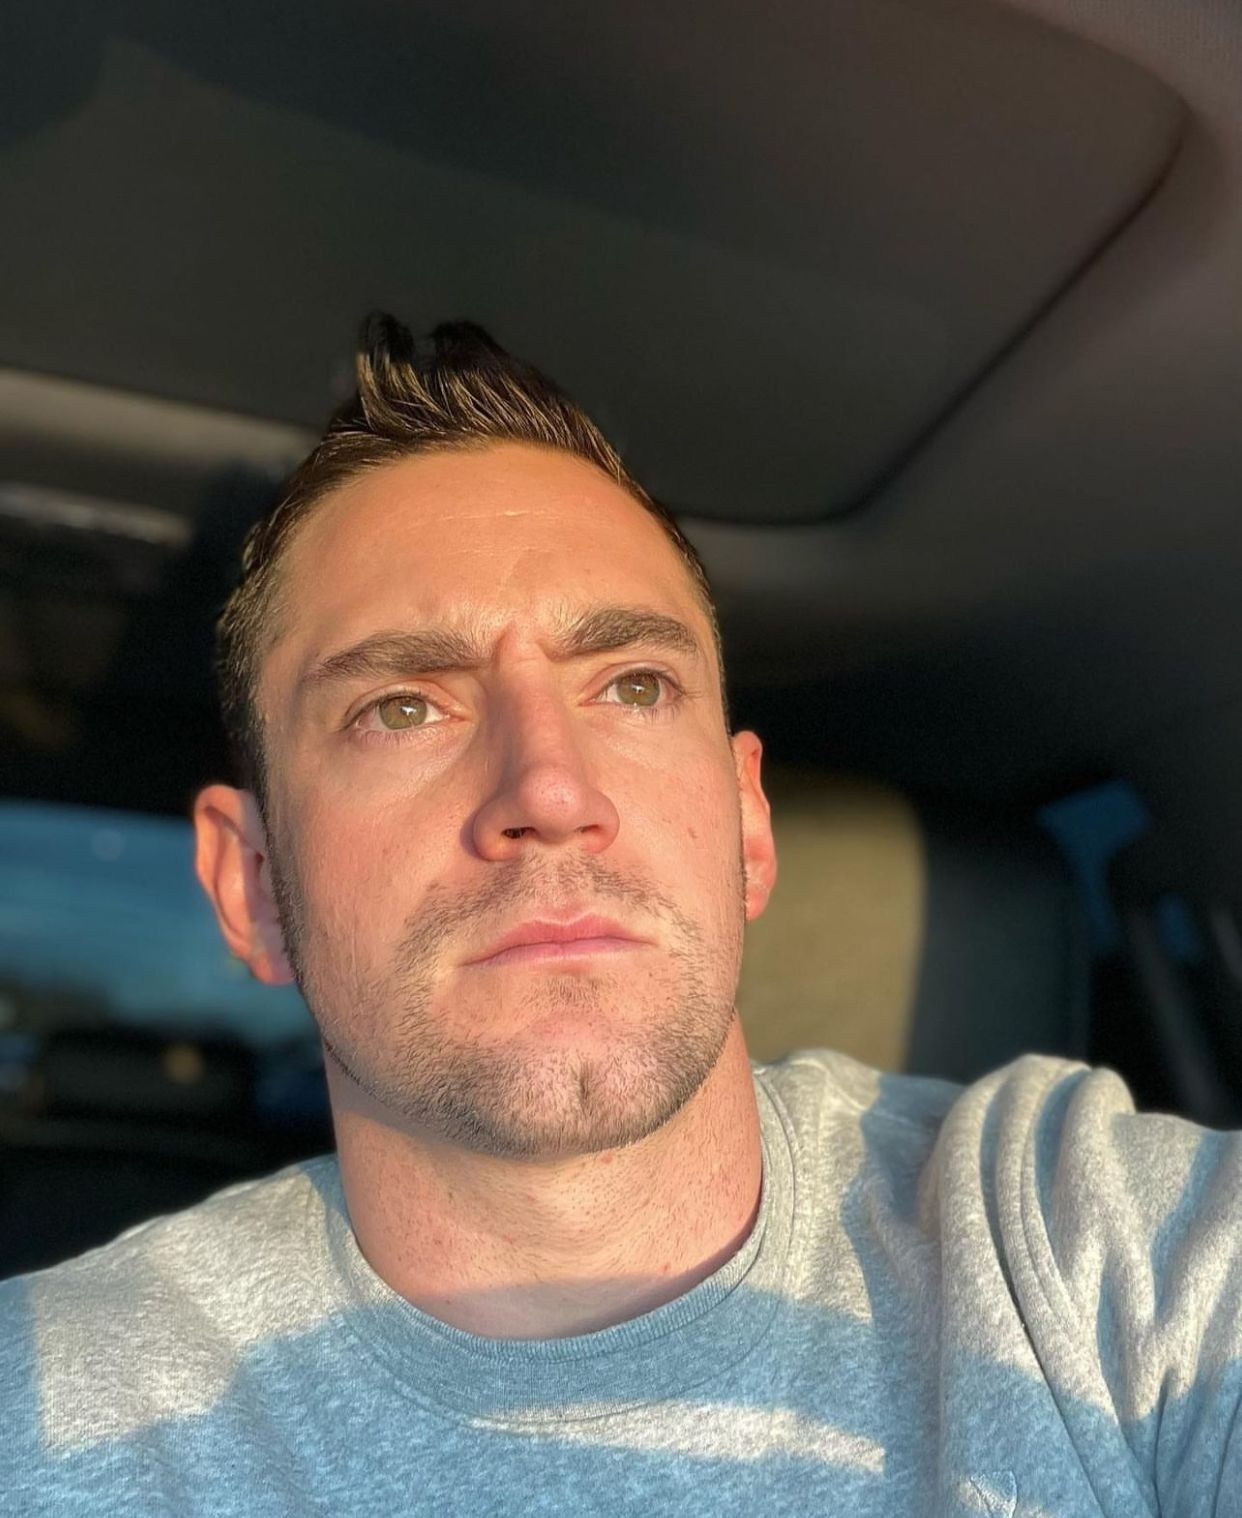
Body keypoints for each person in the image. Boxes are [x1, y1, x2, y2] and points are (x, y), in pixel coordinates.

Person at [2, 316, 1240, 1517]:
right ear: (252, 884)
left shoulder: (1081, 1248)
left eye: (634, 686)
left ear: (747, 828)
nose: (550, 792)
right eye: (403, 708)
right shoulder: (57, 1416)